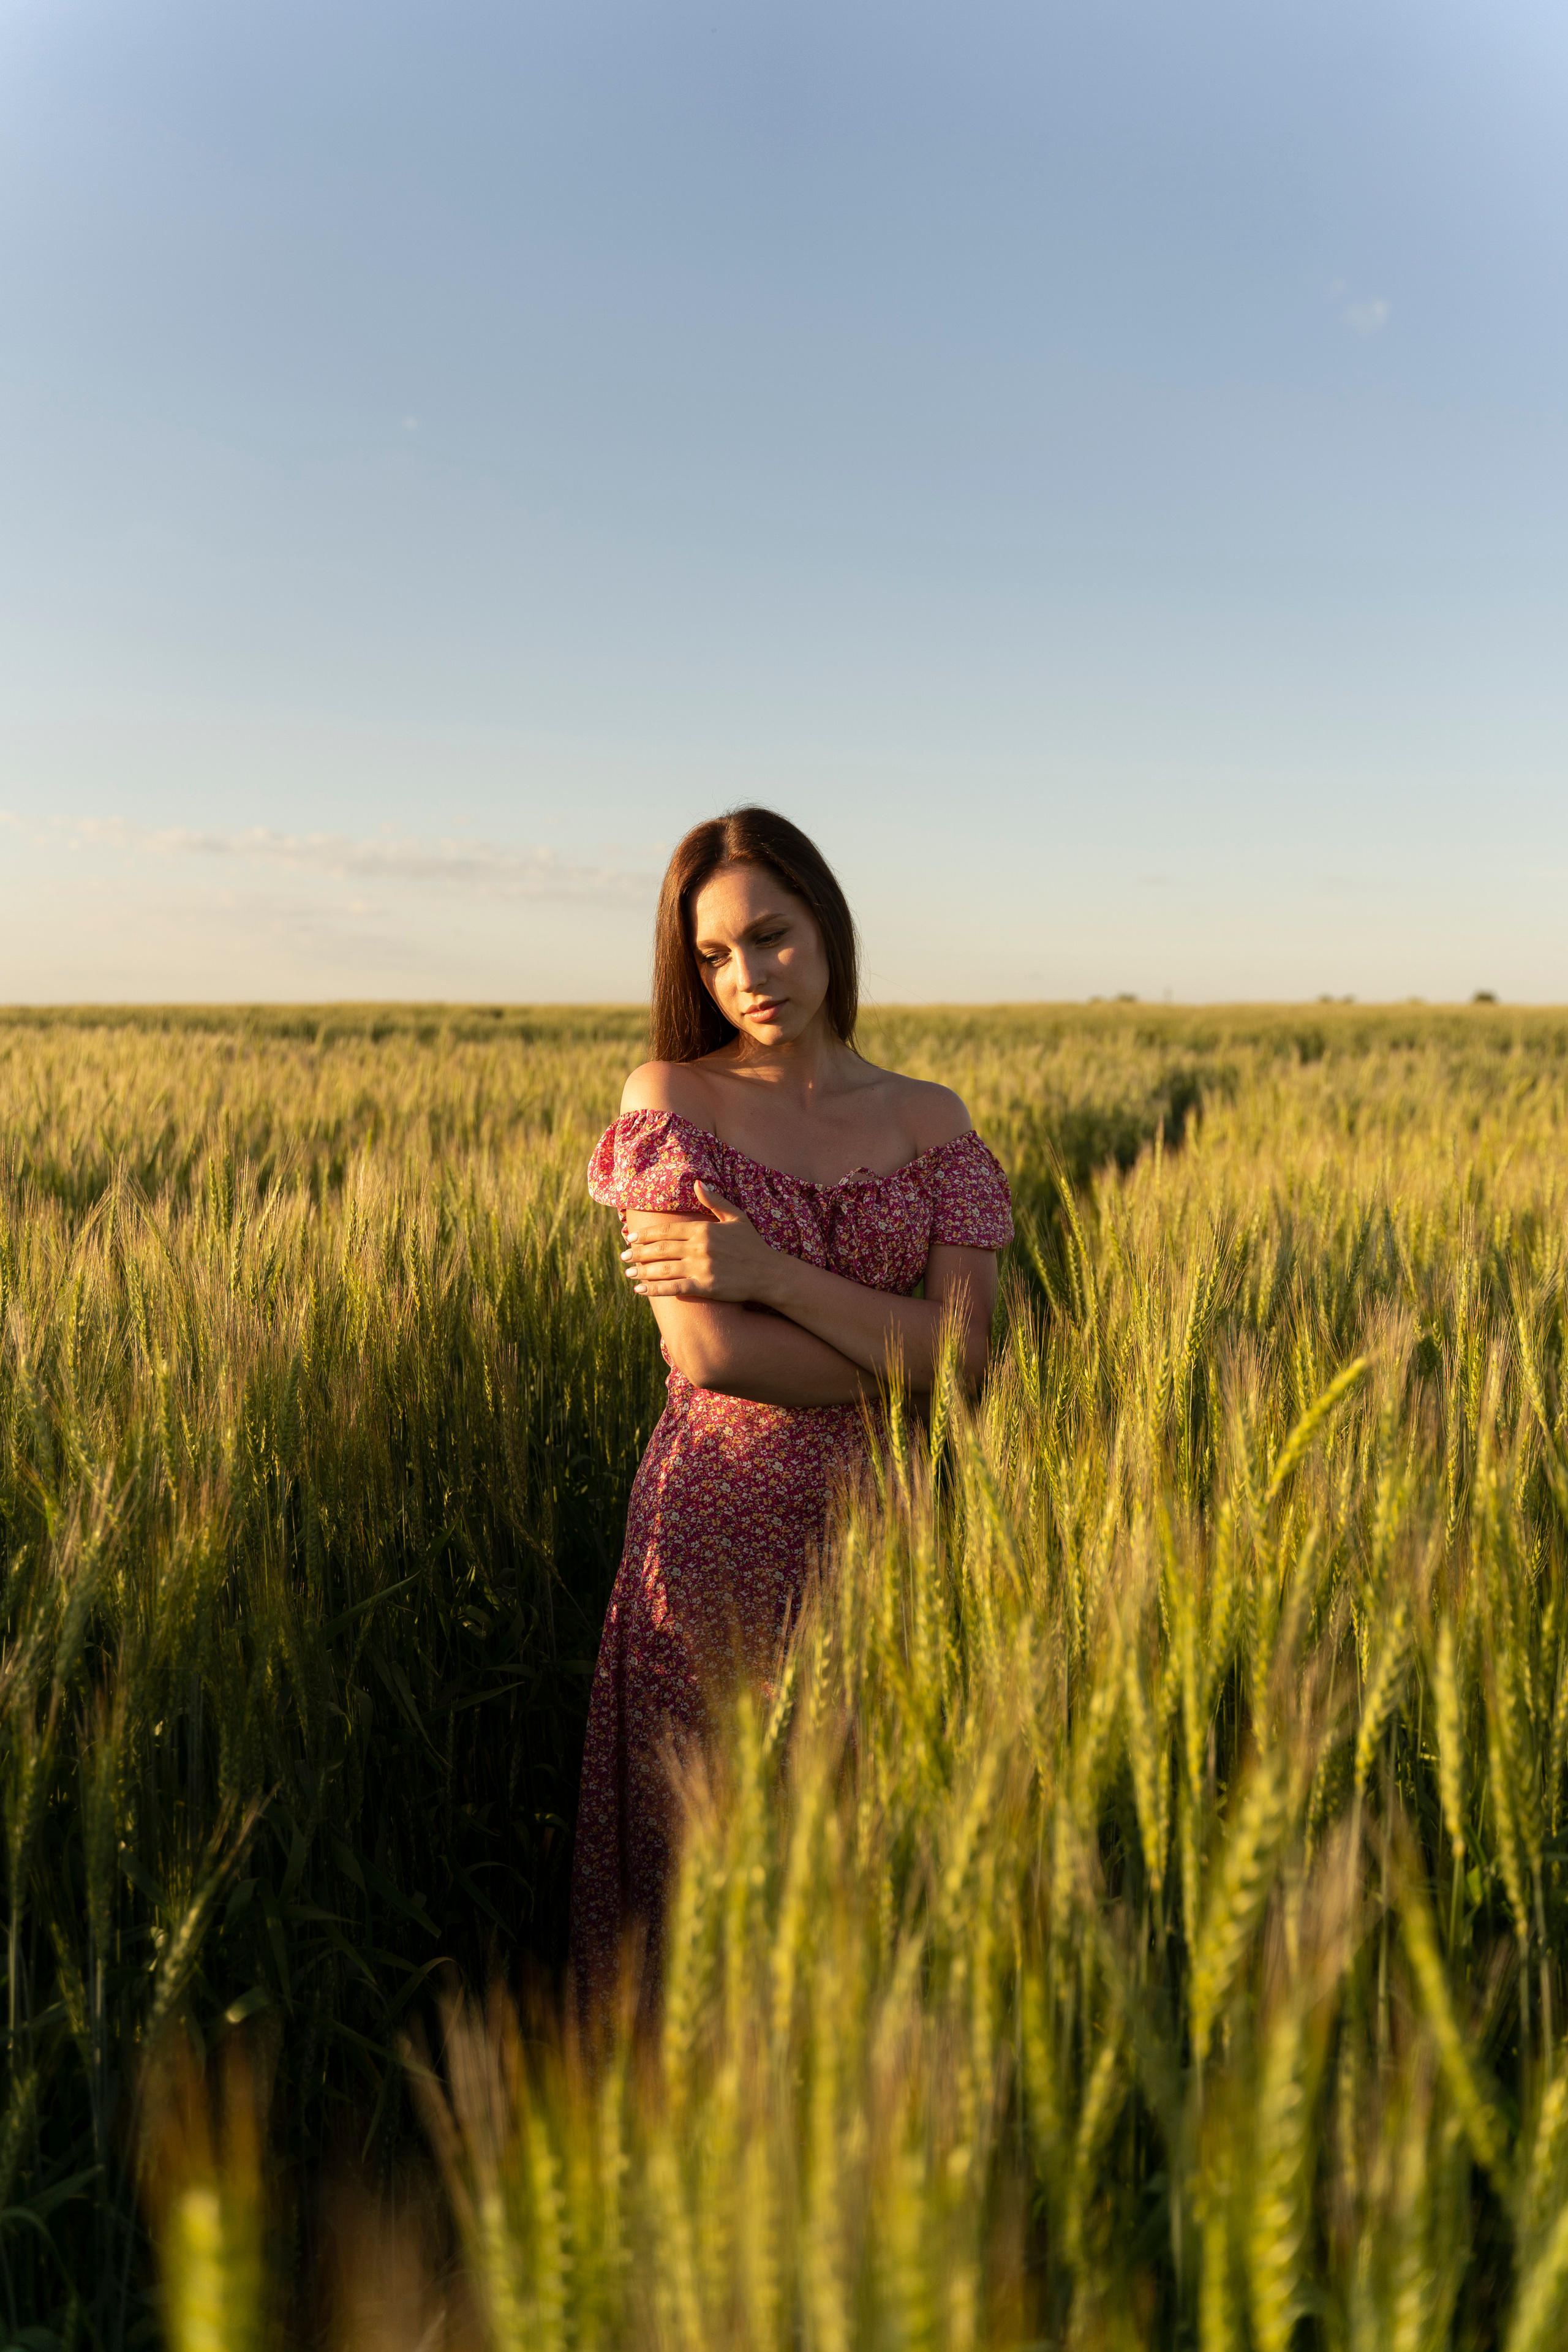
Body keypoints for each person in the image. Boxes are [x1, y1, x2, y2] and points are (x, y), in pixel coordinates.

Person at [570, 807, 1013, 2018]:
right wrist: (902, 1354)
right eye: (712, 956)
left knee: (865, 1872)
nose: (745, 976)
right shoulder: (670, 1099)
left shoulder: (930, 1119)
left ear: (825, 923)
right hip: (713, 1539)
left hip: (894, 1543)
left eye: (768, 936)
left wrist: (769, 1277)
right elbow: (710, 1355)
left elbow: (970, 1361)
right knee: (699, 1876)